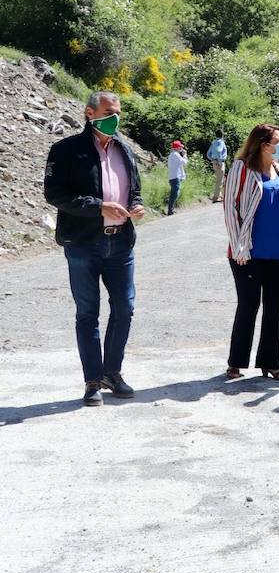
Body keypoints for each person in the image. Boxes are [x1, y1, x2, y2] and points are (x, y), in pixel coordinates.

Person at [43, 91, 147, 406]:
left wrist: (137, 205)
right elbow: (55, 194)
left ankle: (111, 373)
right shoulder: (65, 150)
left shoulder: (124, 150)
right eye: (108, 111)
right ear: (90, 113)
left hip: (120, 243)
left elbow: (135, 189)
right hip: (83, 244)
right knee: (88, 313)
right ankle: (92, 381)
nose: (114, 117)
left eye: (117, 111)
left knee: (125, 308)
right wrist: (99, 206)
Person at [222, 123, 279, 381]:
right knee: (248, 306)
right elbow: (231, 209)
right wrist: (238, 246)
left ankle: (271, 363)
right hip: (249, 252)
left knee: (274, 308)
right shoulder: (241, 168)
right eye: (277, 141)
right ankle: (236, 362)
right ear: (263, 145)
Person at [166, 140, 188, 215]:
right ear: (177, 147)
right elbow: (184, 162)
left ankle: (171, 209)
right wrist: (185, 155)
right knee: (174, 194)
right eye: (180, 147)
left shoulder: (174, 154)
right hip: (175, 177)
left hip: (174, 177)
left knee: (175, 193)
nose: (181, 148)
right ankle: (170, 210)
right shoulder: (175, 154)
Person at [207, 130, 228, 203]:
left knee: (218, 179)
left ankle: (219, 195)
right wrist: (219, 161)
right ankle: (216, 197)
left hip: (214, 162)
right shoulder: (221, 142)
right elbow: (219, 151)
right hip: (220, 162)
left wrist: (212, 159)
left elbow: (208, 154)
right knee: (220, 180)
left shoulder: (213, 142)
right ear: (222, 135)